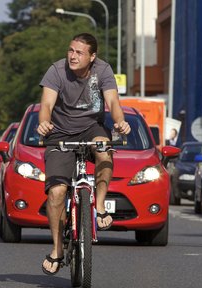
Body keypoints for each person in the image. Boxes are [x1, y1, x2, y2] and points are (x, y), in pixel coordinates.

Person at [37, 33, 131, 275]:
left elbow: (113, 103)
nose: (73, 56)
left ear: (92, 57)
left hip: (92, 128)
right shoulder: (56, 71)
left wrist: (120, 122)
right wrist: (45, 122)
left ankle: (99, 206)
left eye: (79, 52)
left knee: (104, 150)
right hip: (60, 133)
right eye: (71, 50)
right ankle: (57, 250)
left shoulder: (103, 70)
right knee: (56, 192)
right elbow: (46, 105)